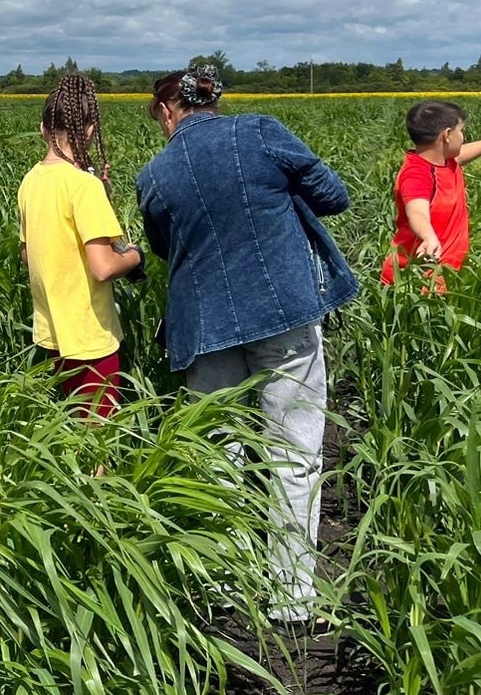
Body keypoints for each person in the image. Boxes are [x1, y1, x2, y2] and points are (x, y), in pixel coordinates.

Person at [135, 63, 356, 624]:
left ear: (167, 111)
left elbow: (164, 248)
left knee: (218, 456)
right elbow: (333, 195)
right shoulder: (259, 131)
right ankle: (291, 597)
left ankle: (225, 586)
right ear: (214, 100)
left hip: (204, 326)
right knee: (294, 452)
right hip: (283, 311)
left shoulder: (155, 174)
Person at [17, 74, 142, 420]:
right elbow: (103, 267)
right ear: (88, 130)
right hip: (89, 332)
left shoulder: (31, 180)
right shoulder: (83, 186)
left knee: (73, 423)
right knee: (98, 434)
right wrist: (134, 256)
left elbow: (28, 254)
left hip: (53, 330)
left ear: (43, 128)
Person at [381, 100, 481, 286]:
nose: (463, 136)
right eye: (461, 131)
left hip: (443, 273)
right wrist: (428, 236)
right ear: (447, 135)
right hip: (418, 280)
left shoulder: (443, 160)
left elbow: (461, 154)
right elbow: (417, 211)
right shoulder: (417, 176)